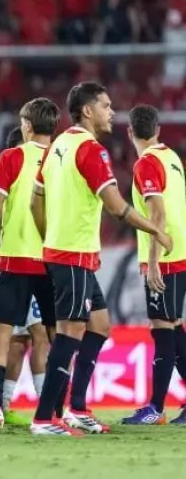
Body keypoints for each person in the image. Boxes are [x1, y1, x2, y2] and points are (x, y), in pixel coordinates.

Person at [30, 83, 172, 435]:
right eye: (106, 106)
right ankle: (45, 417)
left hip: (63, 250)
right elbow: (115, 205)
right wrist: (155, 230)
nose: (112, 112)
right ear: (88, 111)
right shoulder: (91, 150)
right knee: (70, 331)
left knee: (99, 324)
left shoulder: (58, 144)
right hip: (73, 253)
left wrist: (50, 235)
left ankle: (76, 407)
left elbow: (36, 200)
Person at [0, 99, 60, 431]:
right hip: (53, 260)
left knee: (0, 336)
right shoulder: (63, 160)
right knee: (58, 336)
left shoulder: (12, 157)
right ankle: (54, 410)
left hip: (13, 258)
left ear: (26, 125)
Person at [123, 105, 186, 425]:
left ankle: (155, 409)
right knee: (172, 327)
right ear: (158, 131)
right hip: (180, 253)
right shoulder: (172, 158)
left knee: (162, 328)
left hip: (167, 257)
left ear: (129, 132)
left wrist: (153, 262)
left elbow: (157, 214)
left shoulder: (146, 164)